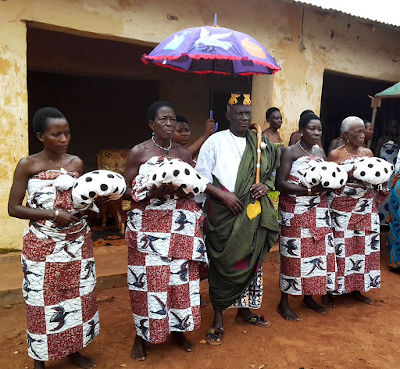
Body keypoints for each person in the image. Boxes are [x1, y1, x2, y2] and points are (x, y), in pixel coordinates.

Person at [8, 107, 98, 369]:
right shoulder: (28, 164)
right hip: (42, 244)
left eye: (67, 133)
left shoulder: (76, 163)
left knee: (76, 297)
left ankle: (74, 350)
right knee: (42, 300)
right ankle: (40, 358)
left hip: (76, 242)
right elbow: (14, 208)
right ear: (40, 136)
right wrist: (53, 213)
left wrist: (90, 206)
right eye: (55, 134)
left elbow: (80, 200)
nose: (64, 139)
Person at [123, 101, 207, 361]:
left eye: (172, 120)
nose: (169, 124)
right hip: (148, 229)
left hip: (180, 228)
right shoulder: (139, 152)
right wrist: (150, 191)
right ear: (151, 124)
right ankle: (142, 336)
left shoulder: (182, 153)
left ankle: (178, 331)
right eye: (163, 120)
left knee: (180, 282)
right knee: (149, 284)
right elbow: (124, 190)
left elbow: (195, 185)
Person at [195, 93, 280, 345]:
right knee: (221, 264)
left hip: (251, 212)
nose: (245, 118)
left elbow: (270, 174)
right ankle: (218, 317)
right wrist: (223, 196)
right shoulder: (214, 142)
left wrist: (264, 186)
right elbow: (200, 179)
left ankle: (244, 312)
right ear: (228, 115)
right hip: (224, 212)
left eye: (248, 114)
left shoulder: (259, 142)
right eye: (239, 114)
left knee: (250, 261)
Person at [276, 113, 336, 321]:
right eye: (312, 129)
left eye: (319, 129)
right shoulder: (290, 152)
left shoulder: (320, 152)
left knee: (315, 256)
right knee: (293, 256)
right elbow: (280, 184)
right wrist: (309, 192)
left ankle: (308, 297)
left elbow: (327, 177)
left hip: (318, 210)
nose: (316, 133)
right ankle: (283, 302)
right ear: (301, 130)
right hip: (295, 211)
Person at [327, 116, 381, 305]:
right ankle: (333, 291)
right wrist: (348, 173)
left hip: (365, 207)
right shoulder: (335, 155)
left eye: (363, 131)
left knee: (362, 247)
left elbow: (375, 177)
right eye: (357, 132)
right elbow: (328, 181)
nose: (363, 135)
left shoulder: (368, 153)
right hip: (342, 209)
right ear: (346, 136)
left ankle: (357, 288)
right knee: (341, 248)